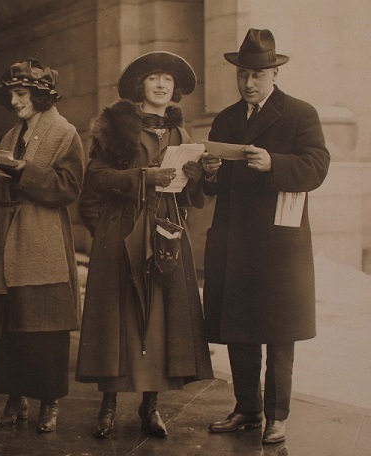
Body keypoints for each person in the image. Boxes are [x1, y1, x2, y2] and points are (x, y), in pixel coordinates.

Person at [75, 51, 214, 439]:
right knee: (116, 319)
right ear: (141, 86)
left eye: (167, 80)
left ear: (175, 90)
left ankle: (150, 407)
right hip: (122, 231)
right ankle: (108, 406)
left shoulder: (180, 135)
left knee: (159, 321)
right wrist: (142, 177)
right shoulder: (116, 126)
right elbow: (97, 177)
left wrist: (198, 174)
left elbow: (190, 192)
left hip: (166, 229)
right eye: (153, 78)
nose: (161, 85)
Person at [202, 29, 330, 445]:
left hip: (278, 243)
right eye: (243, 75)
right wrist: (208, 174)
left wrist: (274, 162)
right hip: (235, 240)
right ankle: (247, 408)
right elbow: (216, 186)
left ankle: (277, 414)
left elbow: (316, 166)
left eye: (258, 75)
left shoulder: (299, 114)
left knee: (278, 331)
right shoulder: (225, 119)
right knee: (238, 326)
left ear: (275, 73)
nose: (249, 83)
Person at [0, 58, 84, 434]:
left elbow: (69, 187)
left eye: (22, 93)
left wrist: (23, 172)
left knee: (44, 324)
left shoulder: (65, 133)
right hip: (4, 233)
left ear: (41, 95)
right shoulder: (11, 135)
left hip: (40, 234)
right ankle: (16, 397)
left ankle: (49, 402)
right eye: (12, 94)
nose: (15, 101)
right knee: (7, 322)